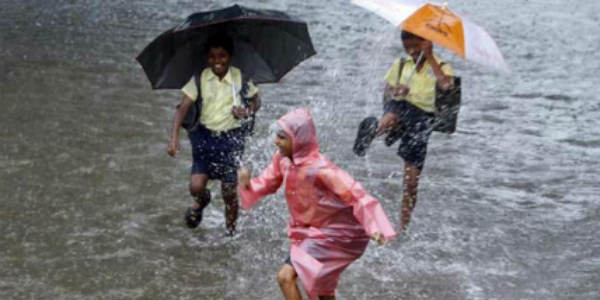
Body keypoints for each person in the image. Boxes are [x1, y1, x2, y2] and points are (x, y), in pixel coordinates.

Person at [238, 108, 396, 300]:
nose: (275, 141)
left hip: (339, 234)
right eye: (277, 135)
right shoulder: (283, 160)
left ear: (298, 139)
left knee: (285, 277)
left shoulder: (320, 169)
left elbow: (356, 195)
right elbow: (268, 182)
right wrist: (247, 184)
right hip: (313, 230)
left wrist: (374, 227)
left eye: (282, 137)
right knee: (322, 291)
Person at [354, 30, 454, 231]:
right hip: (399, 109)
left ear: (427, 43)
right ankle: (372, 132)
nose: (412, 52)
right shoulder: (401, 65)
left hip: (422, 120)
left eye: (416, 47)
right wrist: (396, 91)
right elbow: (386, 94)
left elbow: (447, 87)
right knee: (393, 113)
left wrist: (431, 57)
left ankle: (403, 226)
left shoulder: (441, 67)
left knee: (411, 183)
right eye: (408, 48)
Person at [167, 35, 261, 236]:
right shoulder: (200, 79)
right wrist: (174, 138)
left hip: (232, 139)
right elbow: (182, 109)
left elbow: (256, 101)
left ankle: (231, 233)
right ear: (207, 58)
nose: (217, 61)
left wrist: (247, 111)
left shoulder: (240, 77)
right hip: (204, 138)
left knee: (229, 191)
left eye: (222, 56)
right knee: (196, 185)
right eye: (212, 57)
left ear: (230, 57)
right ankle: (203, 200)